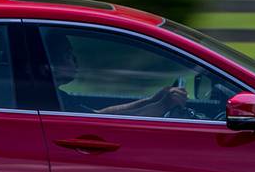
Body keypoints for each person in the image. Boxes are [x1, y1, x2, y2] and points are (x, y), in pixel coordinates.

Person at [45, 31, 191, 117]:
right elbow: (101, 124)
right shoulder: (47, 100)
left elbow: (98, 115)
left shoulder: (57, 96)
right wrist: (163, 106)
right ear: (50, 64)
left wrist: (151, 100)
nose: (75, 61)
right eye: (68, 55)